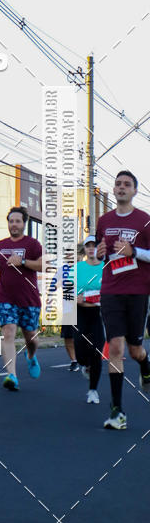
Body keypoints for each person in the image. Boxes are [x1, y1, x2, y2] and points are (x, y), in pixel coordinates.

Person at [96, 171, 150, 430]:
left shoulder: (145, 220)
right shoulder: (104, 220)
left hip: (138, 291)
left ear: (134, 191)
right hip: (111, 290)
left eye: (127, 184)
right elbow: (97, 250)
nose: (121, 187)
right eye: (118, 184)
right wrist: (99, 251)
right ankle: (117, 411)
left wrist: (134, 251)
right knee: (115, 348)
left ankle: (145, 363)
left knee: (134, 350)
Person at [0, 207, 43, 391]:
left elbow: (44, 265)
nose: (14, 224)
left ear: (24, 223)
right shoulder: (0, 245)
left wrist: (24, 262)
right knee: (8, 332)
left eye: (17, 221)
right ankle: (11, 375)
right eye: (11, 221)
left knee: (31, 338)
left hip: (29, 299)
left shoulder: (32, 244)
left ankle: (31, 355)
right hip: (6, 297)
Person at [73, 235, 104, 404]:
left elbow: (108, 294)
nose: (91, 248)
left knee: (96, 351)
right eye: (88, 246)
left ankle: (93, 391)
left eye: (95, 245)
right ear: (84, 249)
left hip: (99, 314)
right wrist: (81, 297)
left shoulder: (105, 268)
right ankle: (83, 364)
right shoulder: (77, 268)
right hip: (80, 313)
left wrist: (87, 297)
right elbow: (71, 294)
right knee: (79, 343)